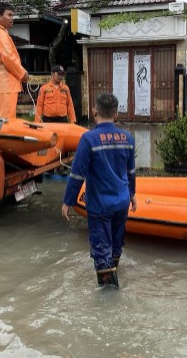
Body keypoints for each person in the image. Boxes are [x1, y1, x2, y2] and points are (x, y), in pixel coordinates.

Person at [62, 94, 137, 288]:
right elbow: (131, 172)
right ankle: (114, 276)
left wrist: (68, 201)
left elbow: (77, 175)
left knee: (101, 250)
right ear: (116, 113)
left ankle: (109, 298)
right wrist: (133, 195)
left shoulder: (89, 139)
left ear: (94, 111)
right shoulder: (127, 138)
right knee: (116, 245)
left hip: (100, 205)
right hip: (122, 202)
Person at [0, 2, 29, 119]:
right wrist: (23, 74)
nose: (12, 18)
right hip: (5, 84)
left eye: (13, 15)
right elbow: (9, 59)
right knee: (5, 122)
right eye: (9, 15)